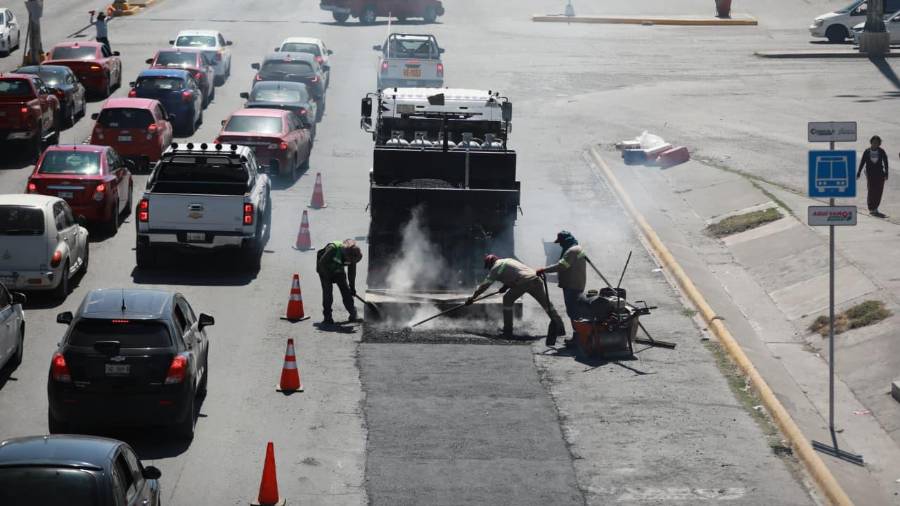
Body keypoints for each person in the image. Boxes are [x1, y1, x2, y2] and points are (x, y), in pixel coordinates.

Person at [466, 254, 565, 339]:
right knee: (546, 304)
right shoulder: (509, 260)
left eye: (488, 266)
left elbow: (485, 285)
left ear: (491, 263)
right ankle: (560, 328)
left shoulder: (495, 268)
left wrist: (473, 297)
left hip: (524, 282)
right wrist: (505, 286)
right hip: (535, 279)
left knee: (507, 300)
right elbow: (516, 273)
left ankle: (508, 331)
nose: (489, 268)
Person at [537, 230, 587, 326]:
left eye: (561, 242)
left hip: (572, 286)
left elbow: (562, 266)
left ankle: (577, 335)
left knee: (573, 311)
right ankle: (578, 335)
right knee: (575, 310)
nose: (560, 245)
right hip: (577, 283)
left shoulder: (571, 251)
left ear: (565, 241)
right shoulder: (578, 249)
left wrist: (544, 270)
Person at [316, 239, 363, 324]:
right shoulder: (333, 249)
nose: (351, 263)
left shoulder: (353, 256)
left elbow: (351, 273)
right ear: (346, 255)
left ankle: (353, 314)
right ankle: (327, 317)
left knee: (346, 291)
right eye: (350, 261)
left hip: (338, 269)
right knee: (328, 292)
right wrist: (329, 277)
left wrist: (352, 287)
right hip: (324, 269)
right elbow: (322, 263)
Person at [857, 135, 889, 218]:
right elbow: (862, 162)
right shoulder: (867, 151)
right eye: (874, 142)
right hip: (870, 174)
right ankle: (871, 208)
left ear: (879, 144)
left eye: (877, 142)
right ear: (871, 142)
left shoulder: (881, 151)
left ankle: (876, 207)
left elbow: (885, 162)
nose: (875, 144)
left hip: (880, 174)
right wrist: (859, 172)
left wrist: (886, 173)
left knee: (879, 191)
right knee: (871, 190)